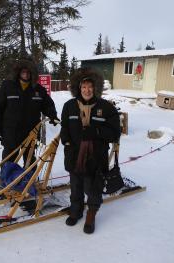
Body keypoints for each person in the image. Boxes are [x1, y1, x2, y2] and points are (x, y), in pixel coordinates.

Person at [60, 68, 121, 234]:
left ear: (95, 88)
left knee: (92, 187)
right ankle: (76, 211)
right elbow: (64, 126)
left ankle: (91, 214)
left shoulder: (106, 107)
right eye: (83, 87)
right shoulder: (69, 106)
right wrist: (65, 141)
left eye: (90, 87)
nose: (87, 90)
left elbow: (115, 133)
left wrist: (97, 132)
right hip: (74, 154)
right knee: (76, 185)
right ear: (78, 88)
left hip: (96, 156)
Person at [0, 59, 59, 166]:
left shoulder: (38, 89)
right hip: (11, 132)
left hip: (31, 132)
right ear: (18, 72)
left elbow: (48, 105)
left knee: (30, 161)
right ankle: (7, 181)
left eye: (28, 72)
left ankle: (29, 181)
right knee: (8, 160)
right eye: (23, 72)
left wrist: (52, 115)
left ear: (32, 74)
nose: (26, 75)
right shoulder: (8, 86)